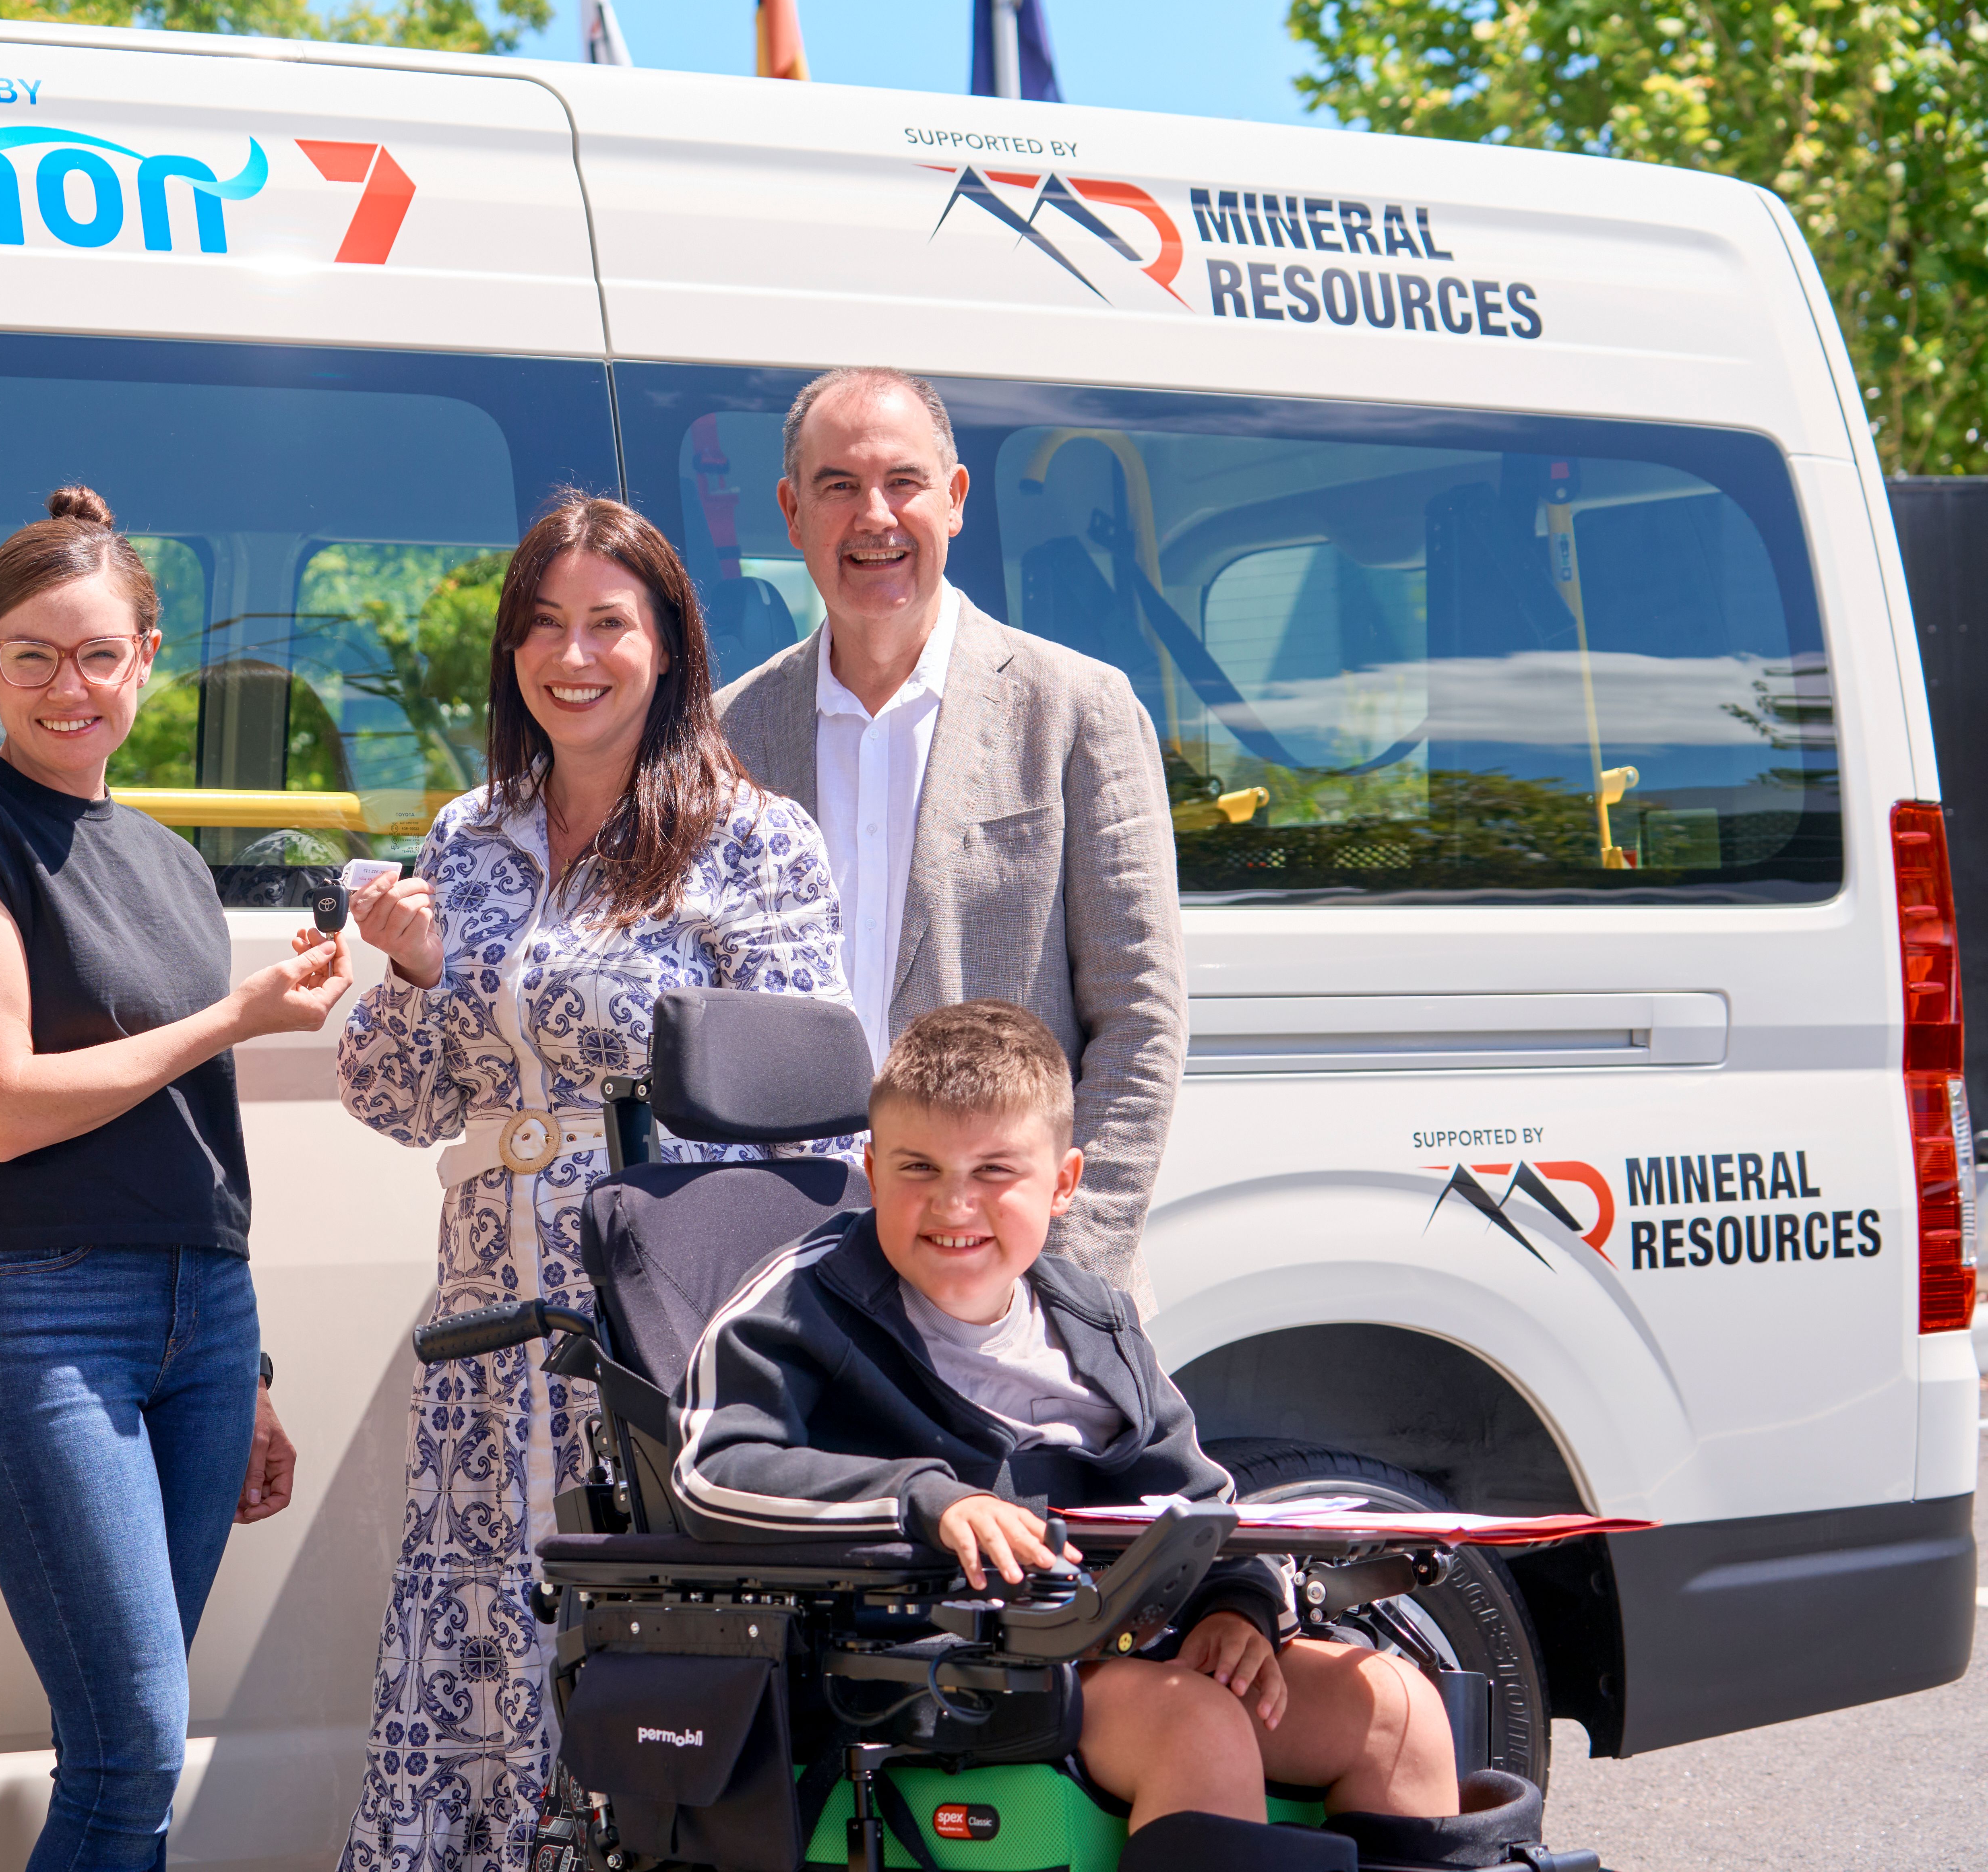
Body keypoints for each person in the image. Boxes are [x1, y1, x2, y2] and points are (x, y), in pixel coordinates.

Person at [330, 492, 851, 1872]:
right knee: (479, 1645)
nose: (574, 656)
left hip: (662, 1320)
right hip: (489, 1314)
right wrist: (412, 972)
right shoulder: (466, 834)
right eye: (543, 626)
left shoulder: (755, 840)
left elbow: (814, 1116)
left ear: (666, 646)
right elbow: (393, 1100)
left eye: (606, 625)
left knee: (639, 1656)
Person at [671, 1001, 1461, 1872]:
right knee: (1198, 1723)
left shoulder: (1095, 1319)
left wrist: (1240, 1607)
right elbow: (714, 1470)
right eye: (918, 1167)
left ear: (1063, 1180)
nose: (954, 1202)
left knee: (1395, 1705)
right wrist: (926, 1499)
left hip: (1117, 1636)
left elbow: (1202, 1500)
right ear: (871, 1167)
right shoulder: (798, 1304)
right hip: (930, 1661)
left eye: (995, 1170)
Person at [0, 486, 354, 1872]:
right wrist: (233, 1018)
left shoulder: (165, 859)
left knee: (139, 1743)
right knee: (128, 1749)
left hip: (203, 1322)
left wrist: (246, 1374)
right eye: (29, 655)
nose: (64, 687)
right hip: (41, 1315)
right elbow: (3, 1109)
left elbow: (194, 1137)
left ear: (148, 659)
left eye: (95, 655)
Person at [716, 367, 1184, 1309]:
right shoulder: (730, 735)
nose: (874, 516)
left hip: (1009, 1273)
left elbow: (1140, 1019)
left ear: (956, 499)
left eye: (904, 482)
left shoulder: (1076, 709)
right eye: (838, 486)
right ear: (792, 511)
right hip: (797, 1274)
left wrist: (1064, 1267)